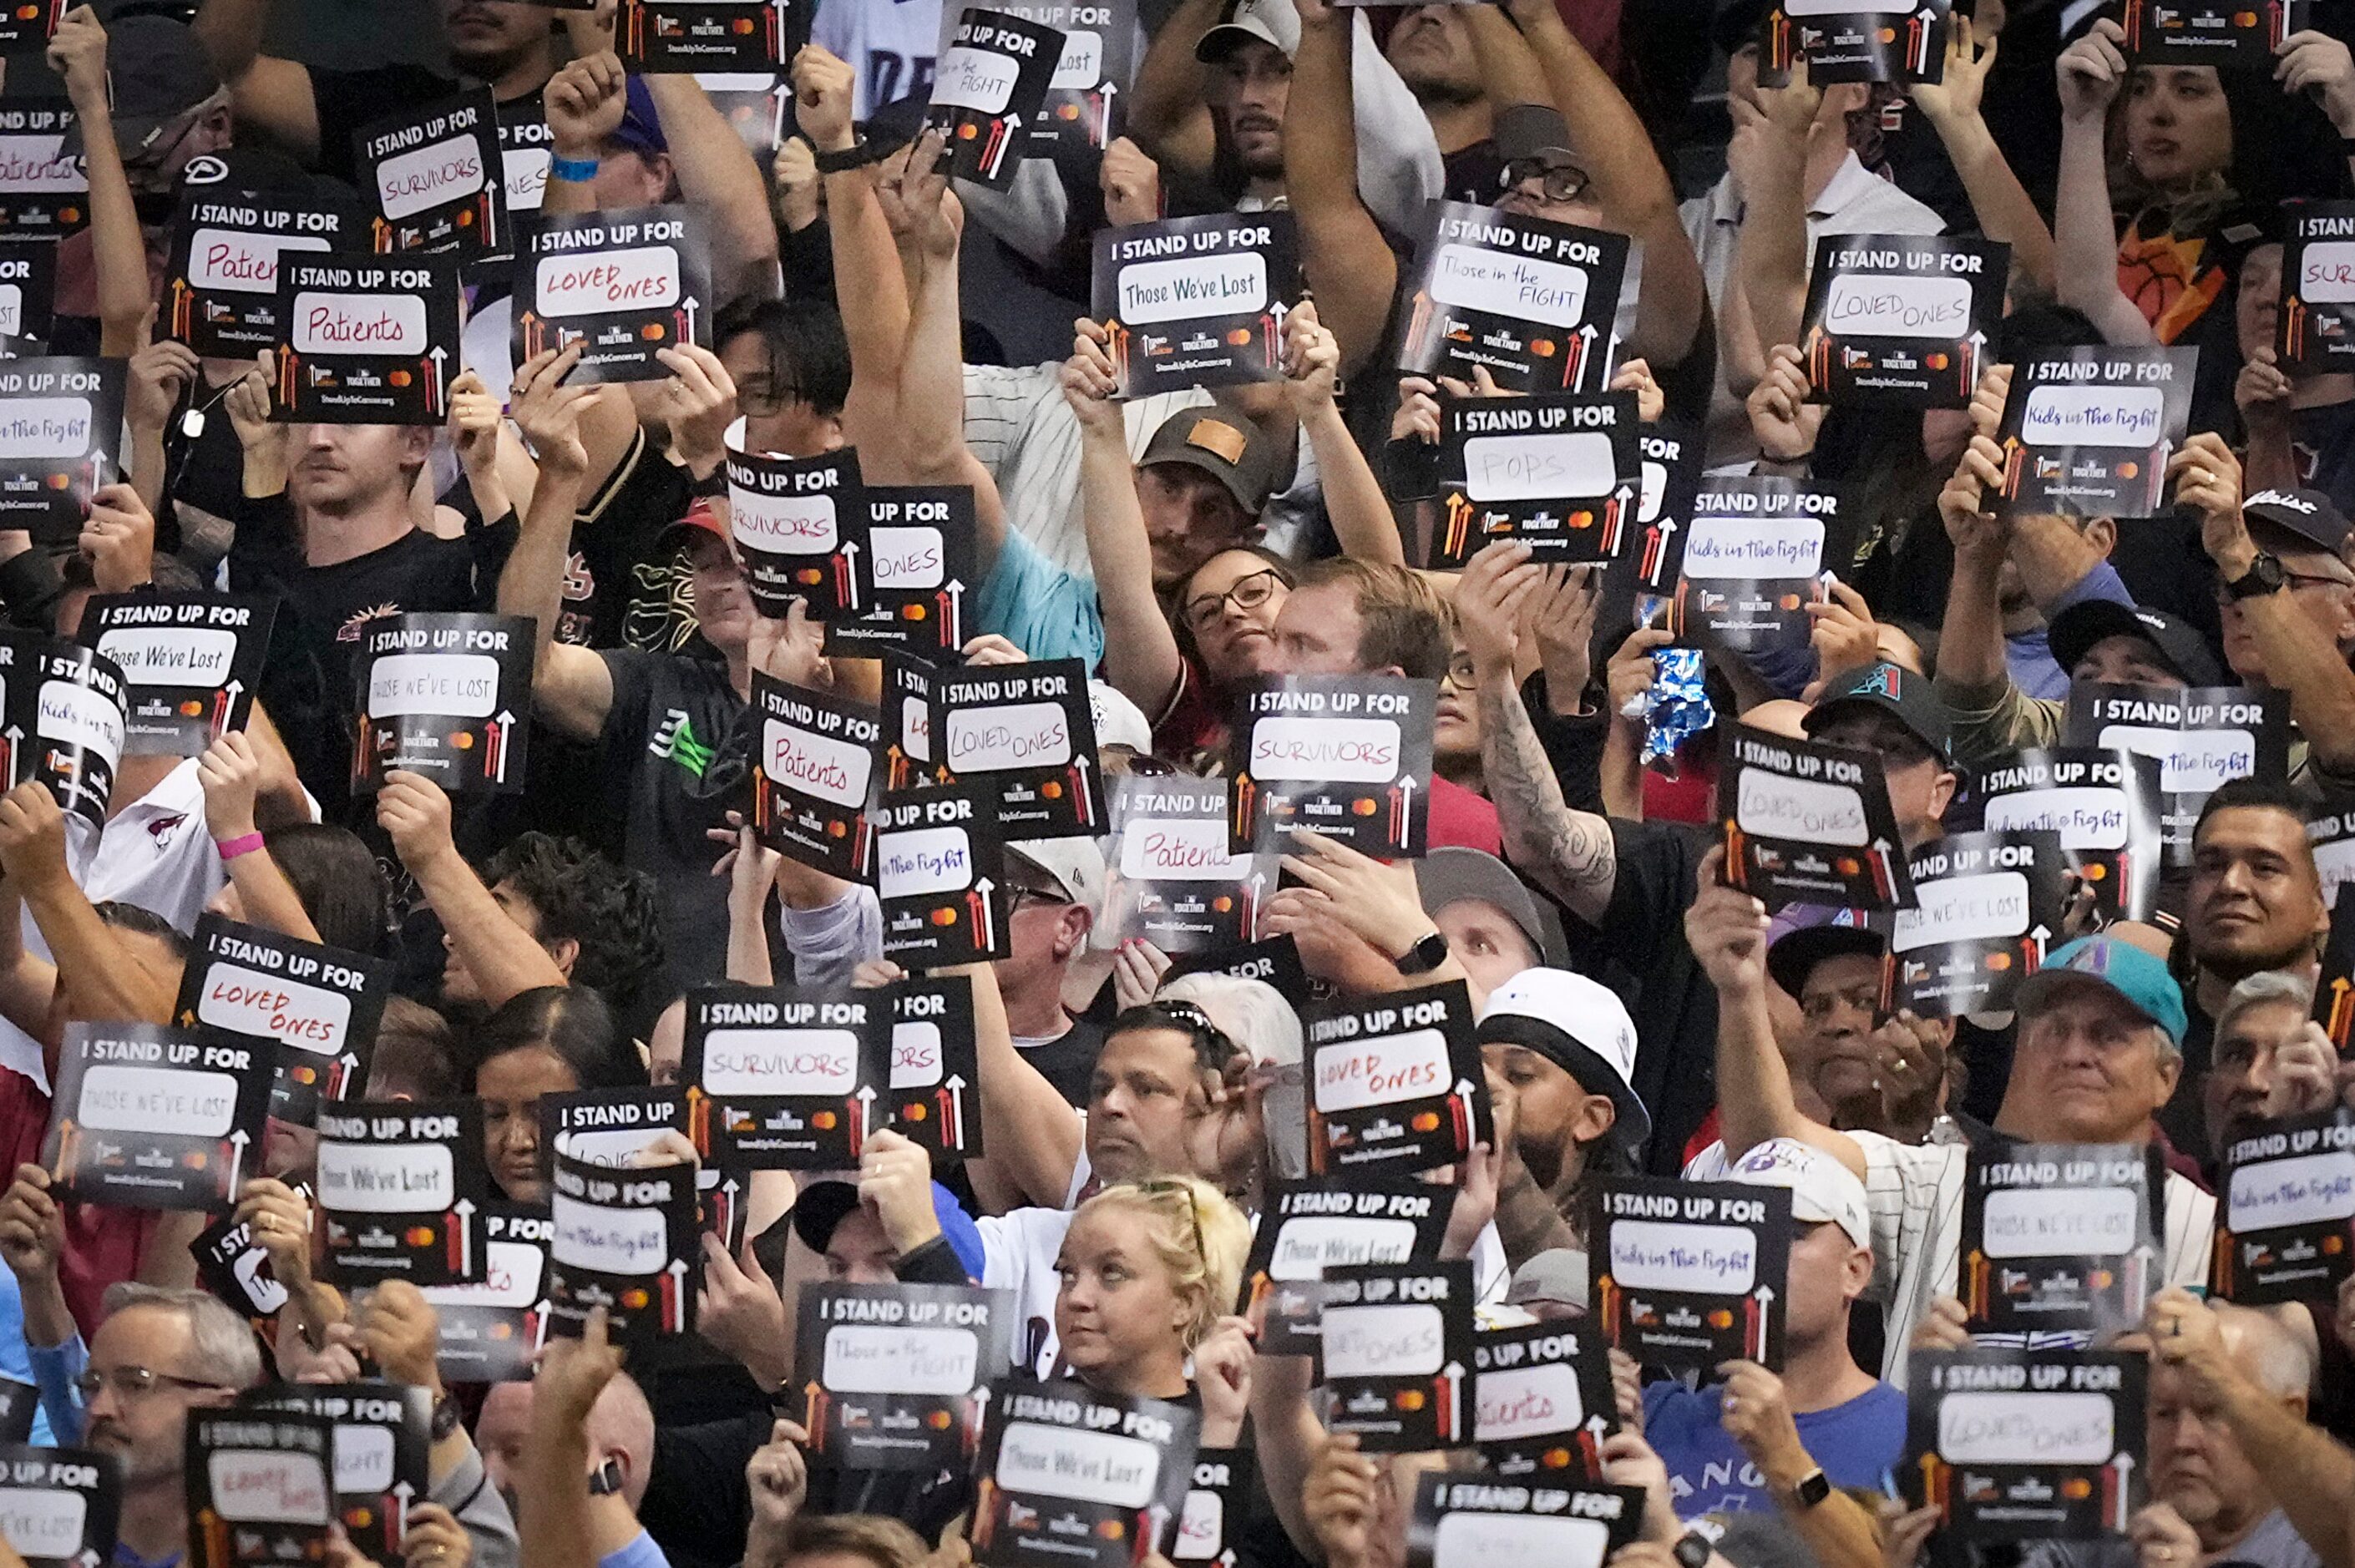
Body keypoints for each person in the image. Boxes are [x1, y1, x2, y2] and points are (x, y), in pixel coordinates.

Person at [1689, 887, 2217, 1381]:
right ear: (2024, 1058)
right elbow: (1769, 1145)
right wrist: (1738, 993)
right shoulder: (1937, 1182)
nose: (2076, 1052)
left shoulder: (2205, 1225)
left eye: (2109, 1035)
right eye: (2054, 1031)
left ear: (2166, 1077)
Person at [1641, 1140, 1902, 1517]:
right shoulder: (1654, 1416)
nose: (1757, 1251)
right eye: (1739, 1229)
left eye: (1790, 1231)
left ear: (1855, 1271)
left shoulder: (1909, 1438)